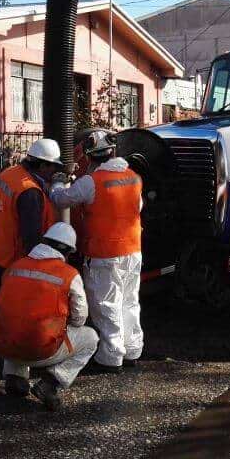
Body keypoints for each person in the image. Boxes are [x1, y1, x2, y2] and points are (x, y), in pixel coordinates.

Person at [50, 132, 143, 373]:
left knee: (106, 304)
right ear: (112, 153)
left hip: (105, 253)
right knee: (130, 301)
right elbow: (138, 206)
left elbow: (61, 200)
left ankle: (111, 357)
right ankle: (132, 349)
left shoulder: (91, 181)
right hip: (133, 250)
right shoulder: (133, 177)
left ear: (90, 158)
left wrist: (59, 181)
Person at [0, 222, 98, 411]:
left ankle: (15, 377)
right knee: (90, 337)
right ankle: (49, 383)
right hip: (41, 349)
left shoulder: (16, 266)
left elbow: (6, 307)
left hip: (2, 343)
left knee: (16, 323)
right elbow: (80, 318)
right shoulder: (69, 275)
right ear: (66, 251)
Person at [0, 137, 61, 394]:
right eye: (52, 168)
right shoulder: (30, 191)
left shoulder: (10, 174)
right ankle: (3, 344)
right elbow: (31, 235)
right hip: (16, 256)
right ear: (41, 165)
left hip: (0, 248)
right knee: (11, 304)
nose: (54, 172)